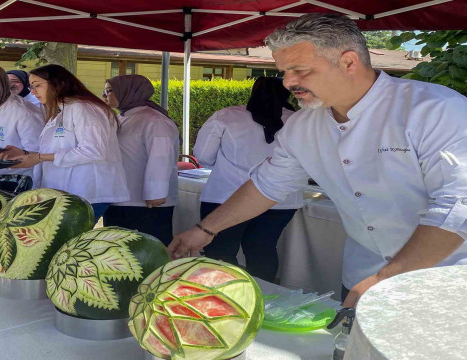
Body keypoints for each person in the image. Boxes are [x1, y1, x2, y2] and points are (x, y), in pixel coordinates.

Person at [169, 13, 467, 308]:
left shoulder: (435, 109)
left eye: (300, 70)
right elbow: (266, 185)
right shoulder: (303, 125)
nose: (288, 82)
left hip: (444, 279)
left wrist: (387, 279)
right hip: (362, 273)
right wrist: (205, 230)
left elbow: (458, 206)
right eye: (283, 71)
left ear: (349, 62)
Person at [192, 77, 303, 282]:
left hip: (226, 195)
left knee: (220, 252)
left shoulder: (226, 116)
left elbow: (204, 156)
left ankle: (227, 296)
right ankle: (263, 297)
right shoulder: (298, 120)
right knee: (263, 249)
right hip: (281, 200)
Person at [0, 64, 129, 221]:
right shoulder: (62, 109)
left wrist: (39, 157)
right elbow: (61, 149)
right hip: (69, 192)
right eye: (31, 87)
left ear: (57, 84)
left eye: (37, 86)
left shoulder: (85, 108)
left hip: (89, 191)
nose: (33, 92)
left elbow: (93, 151)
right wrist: (27, 155)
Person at [101, 75, 179, 244]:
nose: (104, 96)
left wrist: (155, 193)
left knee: (150, 251)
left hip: (147, 203)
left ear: (127, 91)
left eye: (108, 91)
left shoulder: (155, 120)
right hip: (118, 197)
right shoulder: (122, 117)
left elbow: (161, 157)